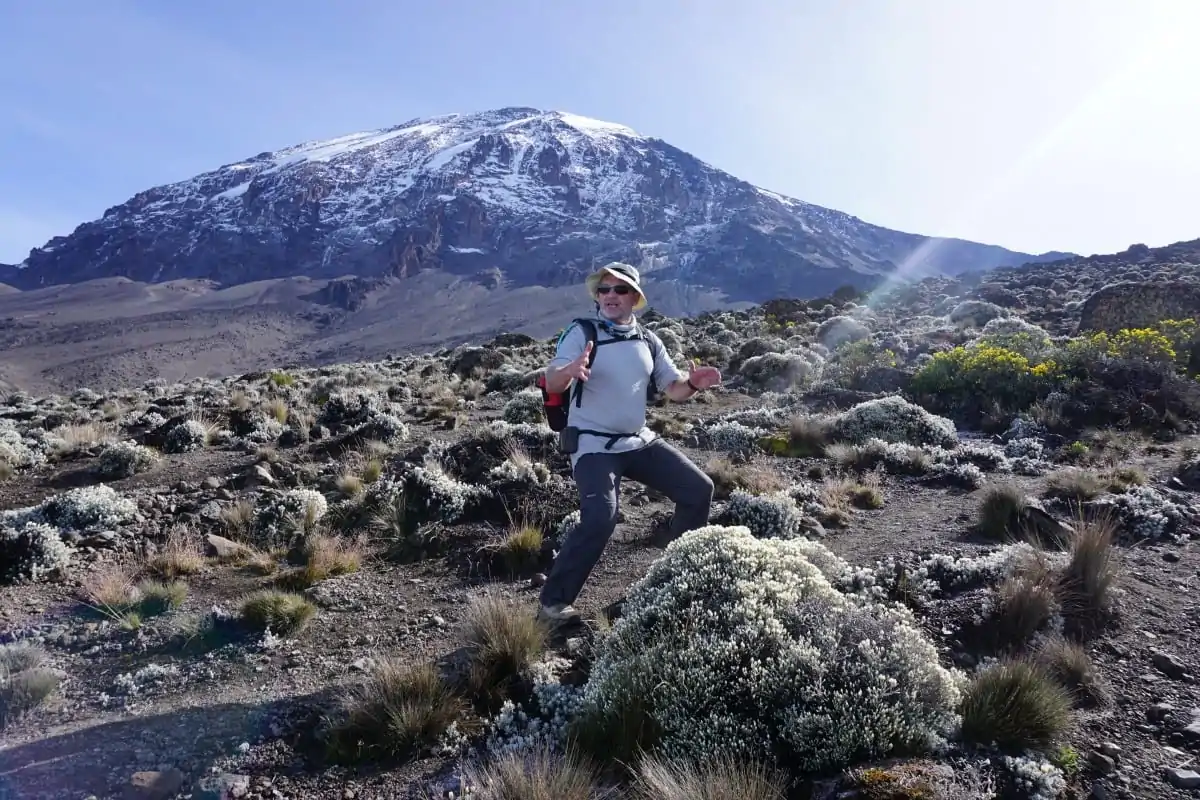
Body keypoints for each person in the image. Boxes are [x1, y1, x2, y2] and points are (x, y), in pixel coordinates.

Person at [537, 261, 721, 623]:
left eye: (619, 289)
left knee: (699, 490)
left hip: (637, 441)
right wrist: (569, 371)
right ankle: (552, 606)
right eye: (603, 290)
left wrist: (695, 384)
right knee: (600, 517)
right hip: (592, 444)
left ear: (635, 298)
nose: (609, 296)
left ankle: (677, 580)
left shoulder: (649, 341)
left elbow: (673, 388)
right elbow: (553, 380)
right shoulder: (581, 332)